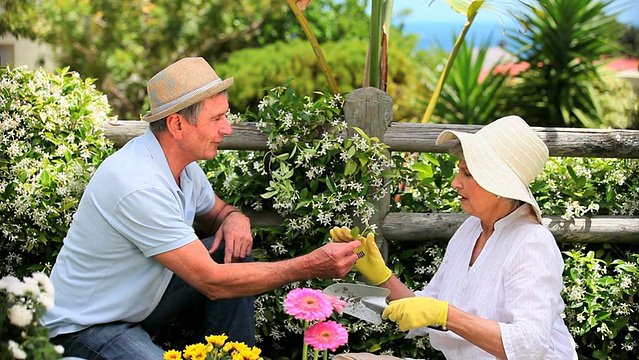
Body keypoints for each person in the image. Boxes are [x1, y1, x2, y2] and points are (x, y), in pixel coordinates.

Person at [42, 57, 362, 359]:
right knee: (222, 271)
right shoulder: (138, 183)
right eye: (217, 118)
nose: (227, 129)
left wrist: (234, 218)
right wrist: (310, 265)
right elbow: (211, 280)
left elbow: (218, 212)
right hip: (85, 327)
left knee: (233, 251)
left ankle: (234, 356)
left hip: (136, 307)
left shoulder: (182, 166)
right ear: (178, 125)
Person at [331, 116, 578, 359]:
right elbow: (428, 308)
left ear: (501, 186)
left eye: (467, 173)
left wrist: (446, 315)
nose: (455, 183)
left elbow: (529, 346)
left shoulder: (532, 242)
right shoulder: (470, 230)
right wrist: (382, 276)